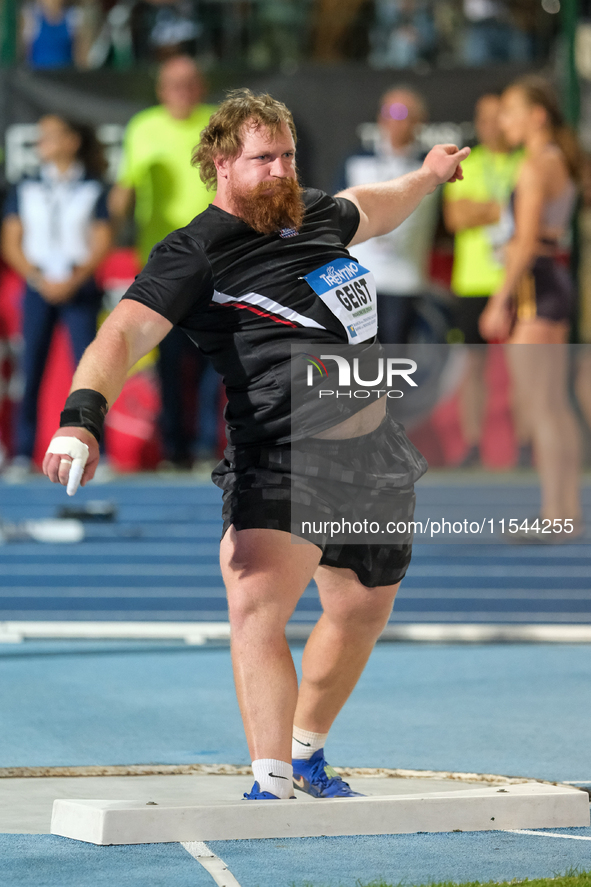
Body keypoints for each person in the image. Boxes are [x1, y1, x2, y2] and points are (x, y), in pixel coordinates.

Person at [43, 89, 469, 800]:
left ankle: (305, 753)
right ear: (220, 164)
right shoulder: (194, 253)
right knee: (257, 605)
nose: (280, 170)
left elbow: (377, 202)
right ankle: (268, 784)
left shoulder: (315, 216)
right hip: (282, 453)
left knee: (362, 606)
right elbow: (121, 335)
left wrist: (425, 176)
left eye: (288, 156)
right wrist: (81, 414)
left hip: (374, 455)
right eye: (263, 158)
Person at [479, 76, 584, 540]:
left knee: (541, 404)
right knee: (554, 403)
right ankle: (564, 510)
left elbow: (524, 242)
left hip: (536, 286)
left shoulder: (535, 165)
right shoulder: (556, 159)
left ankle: (555, 514)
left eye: (510, 110)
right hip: (554, 280)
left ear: (536, 115)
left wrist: (500, 298)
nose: (504, 121)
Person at [109, 55, 220, 469]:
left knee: (217, 359)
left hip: (218, 256)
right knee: (171, 360)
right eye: (173, 84)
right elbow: (126, 186)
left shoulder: (218, 123)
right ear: (160, 89)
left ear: (201, 86)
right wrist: (112, 213)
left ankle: (211, 446)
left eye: (189, 83)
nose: (182, 91)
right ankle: (177, 449)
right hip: (164, 263)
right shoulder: (143, 127)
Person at [1, 114, 112, 479]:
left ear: (71, 141)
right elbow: (11, 239)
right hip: (38, 289)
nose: (42, 143)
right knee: (30, 369)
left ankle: (99, 450)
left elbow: (101, 237)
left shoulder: (94, 185)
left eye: (50, 136)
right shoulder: (25, 185)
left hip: (80, 288)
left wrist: (75, 278)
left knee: (91, 372)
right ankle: (22, 452)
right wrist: (37, 277)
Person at [443, 93, 523, 467]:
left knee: (525, 366)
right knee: (472, 367)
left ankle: (526, 443)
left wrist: (482, 209)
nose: (491, 126)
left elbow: (532, 217)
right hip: (473, 280)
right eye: (484, 118)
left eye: (498, 117)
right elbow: (456, 217)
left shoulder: (526, 162)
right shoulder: (469, 163)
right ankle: (473, 444)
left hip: (518, 279)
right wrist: (503, 209)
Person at [339, 86, 439, 344]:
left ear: (420, 120)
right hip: (358, 280)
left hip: (404, 280)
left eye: (401, 112)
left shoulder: (430, 168)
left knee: (393, 360)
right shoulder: (355, 160)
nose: (392, 119)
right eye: (387, 111)